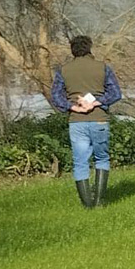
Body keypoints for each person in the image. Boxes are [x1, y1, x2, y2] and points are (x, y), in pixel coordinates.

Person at [50, 36, 122, 208]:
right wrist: (95, 103)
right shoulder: (103, 68)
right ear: (90, 48)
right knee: (102, 159)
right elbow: (116, 93)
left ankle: (87, 204)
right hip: (99, 120)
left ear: (72, 50)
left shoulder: (64, 70)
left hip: (77, 122)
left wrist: (74, 107)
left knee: (80, 162)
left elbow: (56, 96)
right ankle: (99, 201)